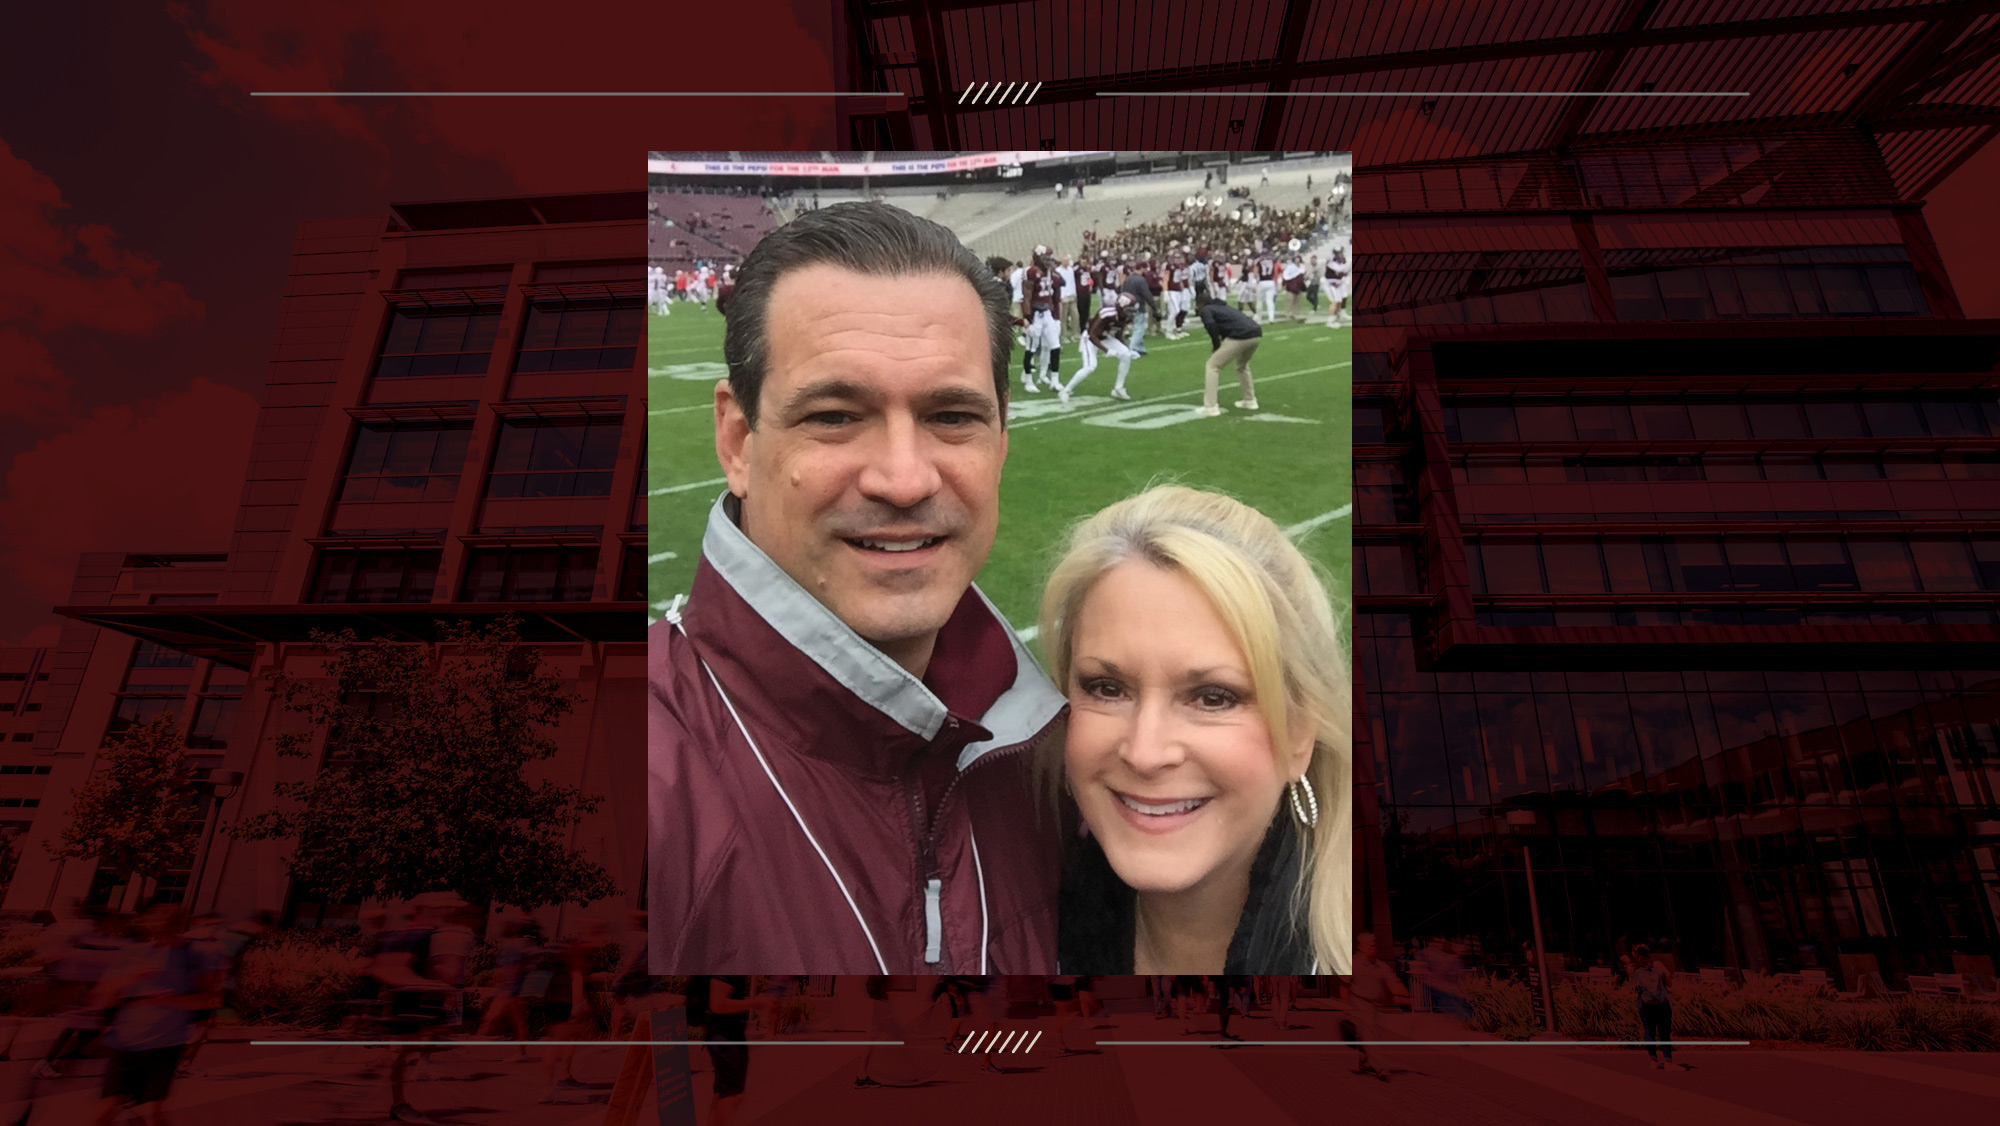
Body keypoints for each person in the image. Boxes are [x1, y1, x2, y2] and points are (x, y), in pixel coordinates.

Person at [651, 202, 1068, 974]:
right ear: (738, 440)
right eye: (837, 415)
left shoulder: (1061, 759)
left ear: (1002, 442)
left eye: (952, 416)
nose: (905, 479)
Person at [1046, 486, 1352, 975]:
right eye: (1106, 688)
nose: (1145, 753)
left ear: (1299, 732)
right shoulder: (1014, 928)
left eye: (1213, 697)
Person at [90, 905, 217, 1126]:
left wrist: (170, 1000)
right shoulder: (134, 953)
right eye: (158, 926)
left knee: (153, 1114)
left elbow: (206, 999)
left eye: (168, 927)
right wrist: (133, 976)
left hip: (164, 1046)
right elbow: (102, 995)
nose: (161, 931)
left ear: (180, 926)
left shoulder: (194, 955)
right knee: (103, 1113)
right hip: (126, 1044)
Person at [1345, 932, 1406, 1080]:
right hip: (1359, 1002)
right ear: (1360, 947)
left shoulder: (1380, 965)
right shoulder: (1352, 963)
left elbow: (1394, 983)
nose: (1374, 946)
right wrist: (1346, 1006)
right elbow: (1344, 985)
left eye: (1375, 943)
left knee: (1367, 1034)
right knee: (1371, 1035)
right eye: (1370, 944)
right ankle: (1382, 1069)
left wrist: (1407, 997)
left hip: (1373, 1006)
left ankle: (1364, 1060)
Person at [1062, 292, 1138, 404]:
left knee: (1126, 355)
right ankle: (1065, 391)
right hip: (1089, 338)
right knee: (1090, 367)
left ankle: (1118, 388)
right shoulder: (1107, 313)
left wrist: (1126, 348)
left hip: (1105, 337)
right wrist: (1107, 351)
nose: (1130, 314)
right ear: (1121, 306)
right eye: (1129, 310)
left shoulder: (1125, 317)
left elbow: (1118, 334)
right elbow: (1092, 335)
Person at [1194, 295, 1263, 418]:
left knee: (1212, 366)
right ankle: (1250, 400)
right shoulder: (1224, 307)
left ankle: (1211, 407)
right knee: (1242, 366)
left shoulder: (1206, 310)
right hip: (1256, 334)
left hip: (1240, 336)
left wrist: (1216, 345)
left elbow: (1210, 325)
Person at [1632, 945, 1692, 1071]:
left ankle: (1653, 1061)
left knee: (1649, 1031)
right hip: (1661, 1004)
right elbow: (1669, 984)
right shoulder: (1658, 965)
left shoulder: (1634, 969)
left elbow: (1634, 989)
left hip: (1645, 1004)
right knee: (1664, 1032)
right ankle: (1668, 1062)